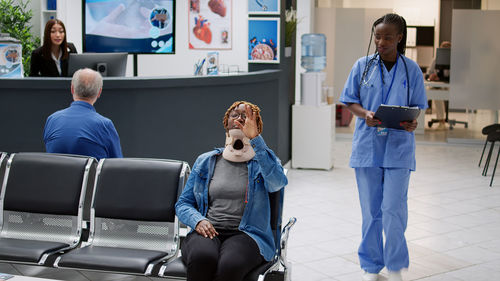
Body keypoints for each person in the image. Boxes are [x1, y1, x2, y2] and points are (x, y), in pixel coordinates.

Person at [339, 14, 427, 281]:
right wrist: (364, 113)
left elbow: (418, 107)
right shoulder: (362, 66)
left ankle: (396, 266)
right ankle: (370, 267)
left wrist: (413, 122)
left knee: (393, 209)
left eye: (388, 37)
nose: (381, 41)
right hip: (368, 147)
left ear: (399, 38)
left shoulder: (412, 70)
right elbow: (348, 100)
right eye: (377, 36)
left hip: (399, 148)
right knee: (371, 211)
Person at [175, 101, 288, 281]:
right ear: (226, 122)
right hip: (208, 229)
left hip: (248, 234)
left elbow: (277, 183)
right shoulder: (206, 161)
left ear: (256, 126)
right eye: (234, 114)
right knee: (202, 258)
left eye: (246, 116)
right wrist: (198, 220)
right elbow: (183, 204)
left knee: (230, 265)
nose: (239, 118)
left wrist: (256, 140)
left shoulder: (264, 162)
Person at [43, 68, 123, 160]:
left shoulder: (52, 120)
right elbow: (117, 165)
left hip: (56, 174)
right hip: (90, 174)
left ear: (72, 89)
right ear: (99, 92)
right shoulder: (105, 125)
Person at [426, 41, 451, 129]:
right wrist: (432, 76)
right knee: (433, 94)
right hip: (437, 86)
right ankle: (441, 121)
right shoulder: (436, 59)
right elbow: (428, 74)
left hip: (450, 87)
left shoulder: (454, 61)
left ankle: (442, 121)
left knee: (438, 96)